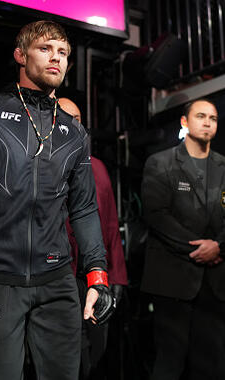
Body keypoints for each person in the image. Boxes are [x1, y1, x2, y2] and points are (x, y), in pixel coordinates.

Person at [0, 20, 114, 380]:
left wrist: (97, 275)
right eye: (45, 49)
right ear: (20, 55)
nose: (56, 58)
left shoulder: (75, 132)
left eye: (63, 53)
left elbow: (83, 208)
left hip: (57, 279)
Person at [140, 98, 225, 380]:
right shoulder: (160, 163)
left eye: (213, 118)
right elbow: (156, 214)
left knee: (215, 364)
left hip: (217, 283)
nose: (207, 122)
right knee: (169, 363)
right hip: (173, 279)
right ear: (185, 122)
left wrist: (219, 246)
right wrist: (200, 248)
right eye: (201, 116)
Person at [58, 97, 128, 379]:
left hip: (94, 276)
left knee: (97, 351)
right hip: (58, 273)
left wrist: (118, 276)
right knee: (66, 353)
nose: (73, 123)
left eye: (77, 118)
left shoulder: (96, 167)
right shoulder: (38, 163)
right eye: (65, 117)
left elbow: (110, 224)